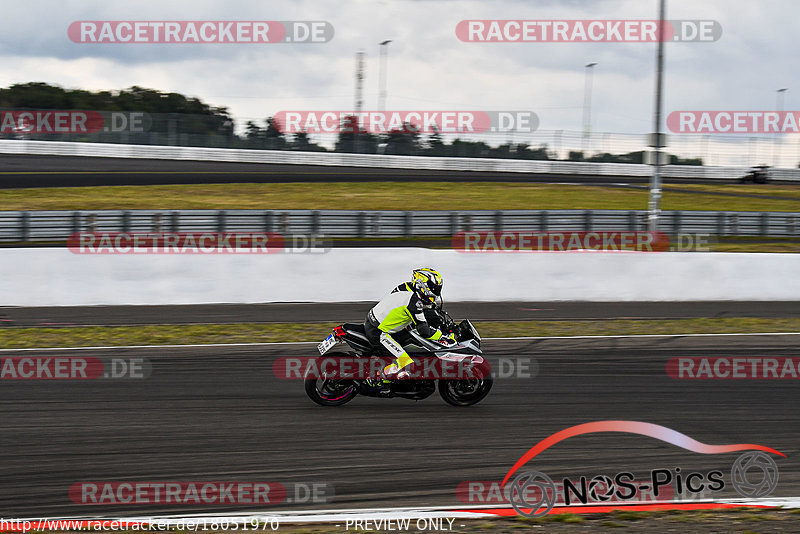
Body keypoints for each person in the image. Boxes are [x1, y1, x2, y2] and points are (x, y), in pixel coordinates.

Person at [364, 268, 455, 389]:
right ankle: (375, 378)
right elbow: (425, 331)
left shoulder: (406, 286)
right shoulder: (414, 302)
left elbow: (410, 304)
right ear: (423, 285)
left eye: (438, 288)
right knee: (407, 364)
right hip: (379, 332)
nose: (436, 291)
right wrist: (442, 337)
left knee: (409, 338)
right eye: (434, 287)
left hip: (374, 320)